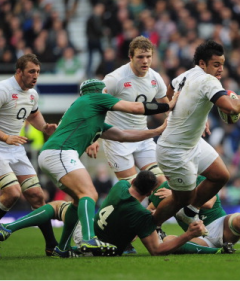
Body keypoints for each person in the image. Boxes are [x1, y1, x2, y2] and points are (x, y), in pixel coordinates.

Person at [37, 79, 178, 256]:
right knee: (90, 194)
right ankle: (88, 238)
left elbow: (123, 135)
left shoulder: (91, 114)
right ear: (100, 91)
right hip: (60, 152)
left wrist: (156, 131)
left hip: (54, 153)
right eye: (106, 92)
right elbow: (135, 108)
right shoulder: (96, 98)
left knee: (76, 202)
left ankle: (62, 247)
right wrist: (168, 106)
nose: (108, 95)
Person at [0, 171, 221, 257]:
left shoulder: (120, 186)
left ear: (134, 181)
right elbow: (157, 250)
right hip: (97, 244)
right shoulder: (141, 215)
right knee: (68, 207)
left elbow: (137, 184)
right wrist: (187, 234)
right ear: (149, 193)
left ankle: (11, 229)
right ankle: (59, 247)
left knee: (59, 206)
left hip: (92, 230)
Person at [152, 40, 240, 231]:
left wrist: (190, 113)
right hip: (174, 149)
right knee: (182, 198)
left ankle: (189, 212)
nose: (221, 69)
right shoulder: (208, 80)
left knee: (221, 175)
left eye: (222, 64)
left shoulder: (186, 75)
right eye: (216, 64)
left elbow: (169, 91)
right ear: (202, 64)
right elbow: (230, 108)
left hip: (192, 141)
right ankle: (151, 225)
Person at [0, 53, 58, 258]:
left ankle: (51, 246)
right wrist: (5, 137)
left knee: (37, 195)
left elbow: (33, 114)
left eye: (38, 72)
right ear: (19, 71)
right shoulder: (2, 89)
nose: (35, 76)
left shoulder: (32, 93)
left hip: (14, 148)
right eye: (31, 71)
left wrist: (45, 128)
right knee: (13, 193)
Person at [148, 175, 240, 254]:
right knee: (168, 240)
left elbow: (208, 203)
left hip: (220, 225)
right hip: (196, 235)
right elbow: (148, 212)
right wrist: (156, 213)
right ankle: (219, 251)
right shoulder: (163, 189)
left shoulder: (202, 180)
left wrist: (175, 196)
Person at [96, 36, 169, 187]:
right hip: (117, 140)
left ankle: (151, 211)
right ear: (130, 57)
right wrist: (92, 137)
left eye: (148, 56)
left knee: (160, 183)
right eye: (140, 57)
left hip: (142, 137)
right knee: (133, 190)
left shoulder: (155, 78)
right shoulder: (115, 79)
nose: (145, 61)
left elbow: (167, 108)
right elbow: (94, 104)